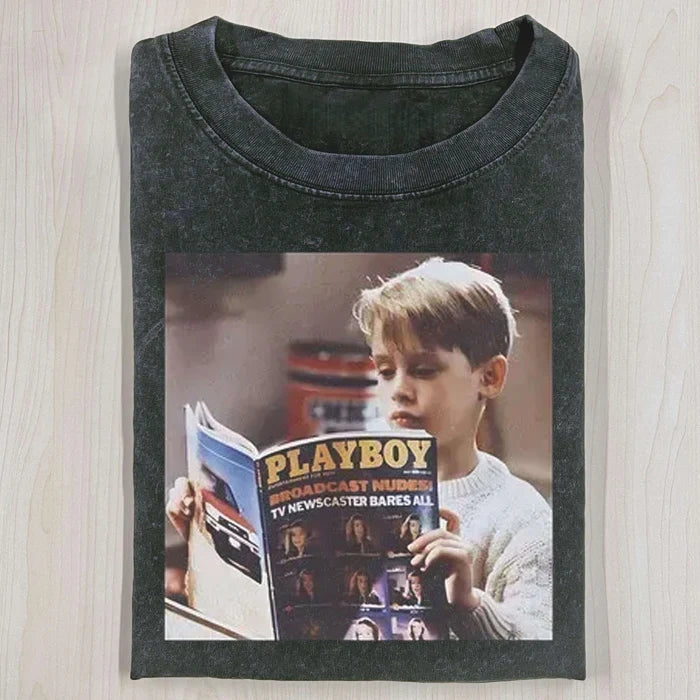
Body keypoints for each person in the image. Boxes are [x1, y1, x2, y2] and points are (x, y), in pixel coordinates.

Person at [167, 256, 553, 639]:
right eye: (385, 371)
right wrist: (204, 541)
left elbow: (542, 647)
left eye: (423, 370)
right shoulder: (340, 486)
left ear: (489, 377)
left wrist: (470, 604)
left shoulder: (520, 518)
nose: (399, 390)